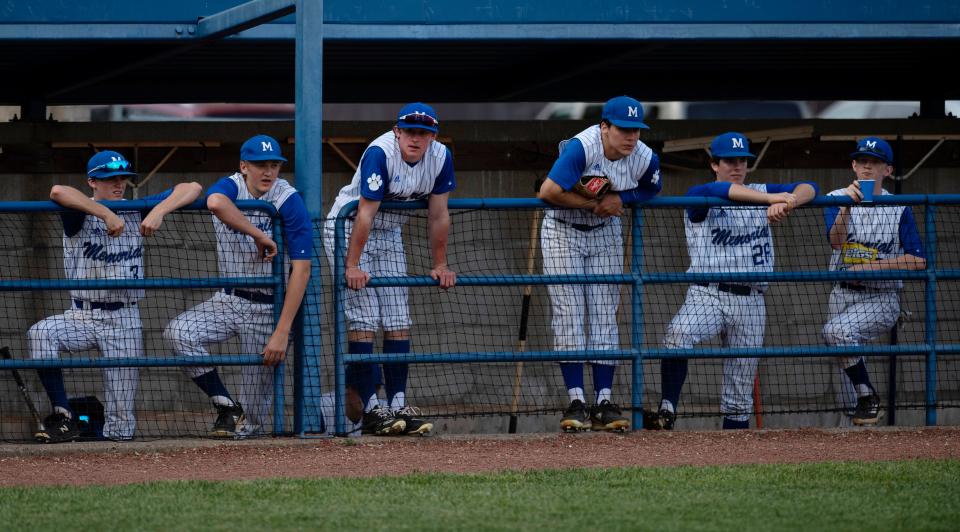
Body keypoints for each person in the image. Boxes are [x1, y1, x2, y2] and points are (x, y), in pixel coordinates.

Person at [30, 150, 202, 443]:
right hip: (82, 314)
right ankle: (63, 415)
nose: (118, 183)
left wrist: (159, 210)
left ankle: (116, 466)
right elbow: (58, 191)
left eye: (122, 178)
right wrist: (106, 212)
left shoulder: (137, 207)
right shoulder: (80, 212)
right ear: (93, 182)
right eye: (110, 179)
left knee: (121, 418)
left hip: (124, 316)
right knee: (41, 333)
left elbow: (192, 187)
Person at [654, 132, 817, 430]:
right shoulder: (701, 191)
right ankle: (667, 409)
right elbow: (719, 190)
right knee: (677, 335)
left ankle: (735, 456)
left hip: (751, 299)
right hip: (708, 294)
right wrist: (771, 199)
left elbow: (811, 187)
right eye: (730, 161)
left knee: (739, 393)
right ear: (714, 164)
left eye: (742, 160)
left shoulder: (761, 189)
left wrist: (789, 202)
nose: (737, 166)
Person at [164, 134, 312, 438]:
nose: (268, 172)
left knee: (253, 418)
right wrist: (259, 234)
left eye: (274, 165)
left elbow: (302, 268)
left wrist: (282, 331)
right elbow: (215, 201)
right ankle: (225, 404)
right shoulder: (233, 184)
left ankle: (247, 462)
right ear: (244, 166)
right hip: (229, 300)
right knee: (179, 333)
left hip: (269, 307)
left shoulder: (287, 197)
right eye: (260, 165)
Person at [324, 102, 456, 436]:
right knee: (364, 316)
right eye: (409, 131)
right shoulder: (380, 153)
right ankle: (371, 409)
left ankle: (397, 405)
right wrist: (352, 264)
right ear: (397, 132)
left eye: (423, 133)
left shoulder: (440, 157)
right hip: (349, 228)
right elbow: (365, 214)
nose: (415, 138)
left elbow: (439, 214)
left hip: (390, 232)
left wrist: (440, 263)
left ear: (433, 137)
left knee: (398, 318)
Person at [537, 95, 663, 432]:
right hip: (563, 229)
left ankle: (603, 401)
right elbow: (547, 191)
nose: (631, 137)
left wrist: (622, 197)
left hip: (605, 231)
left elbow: (653, 187)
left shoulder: (643, 156)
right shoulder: (582, 147)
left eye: (636, 129)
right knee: (569, 313)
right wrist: (592, 204)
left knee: (606, 313)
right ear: (604, 127)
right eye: (624, 129)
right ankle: (577, 400)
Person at [822, 137, 925, 425]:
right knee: (844, 374)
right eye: (862, 161)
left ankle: (868, 396)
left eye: (875, 162)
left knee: (836, 334)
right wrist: (848, 207)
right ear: (854, 166)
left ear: (887, 170)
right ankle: (855, 433)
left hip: (881, 296)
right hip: (842, 293)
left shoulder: (898, 207)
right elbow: (835, 242)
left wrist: (873, 266)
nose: (867, 167)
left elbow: (918, 260)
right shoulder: (836, 197)